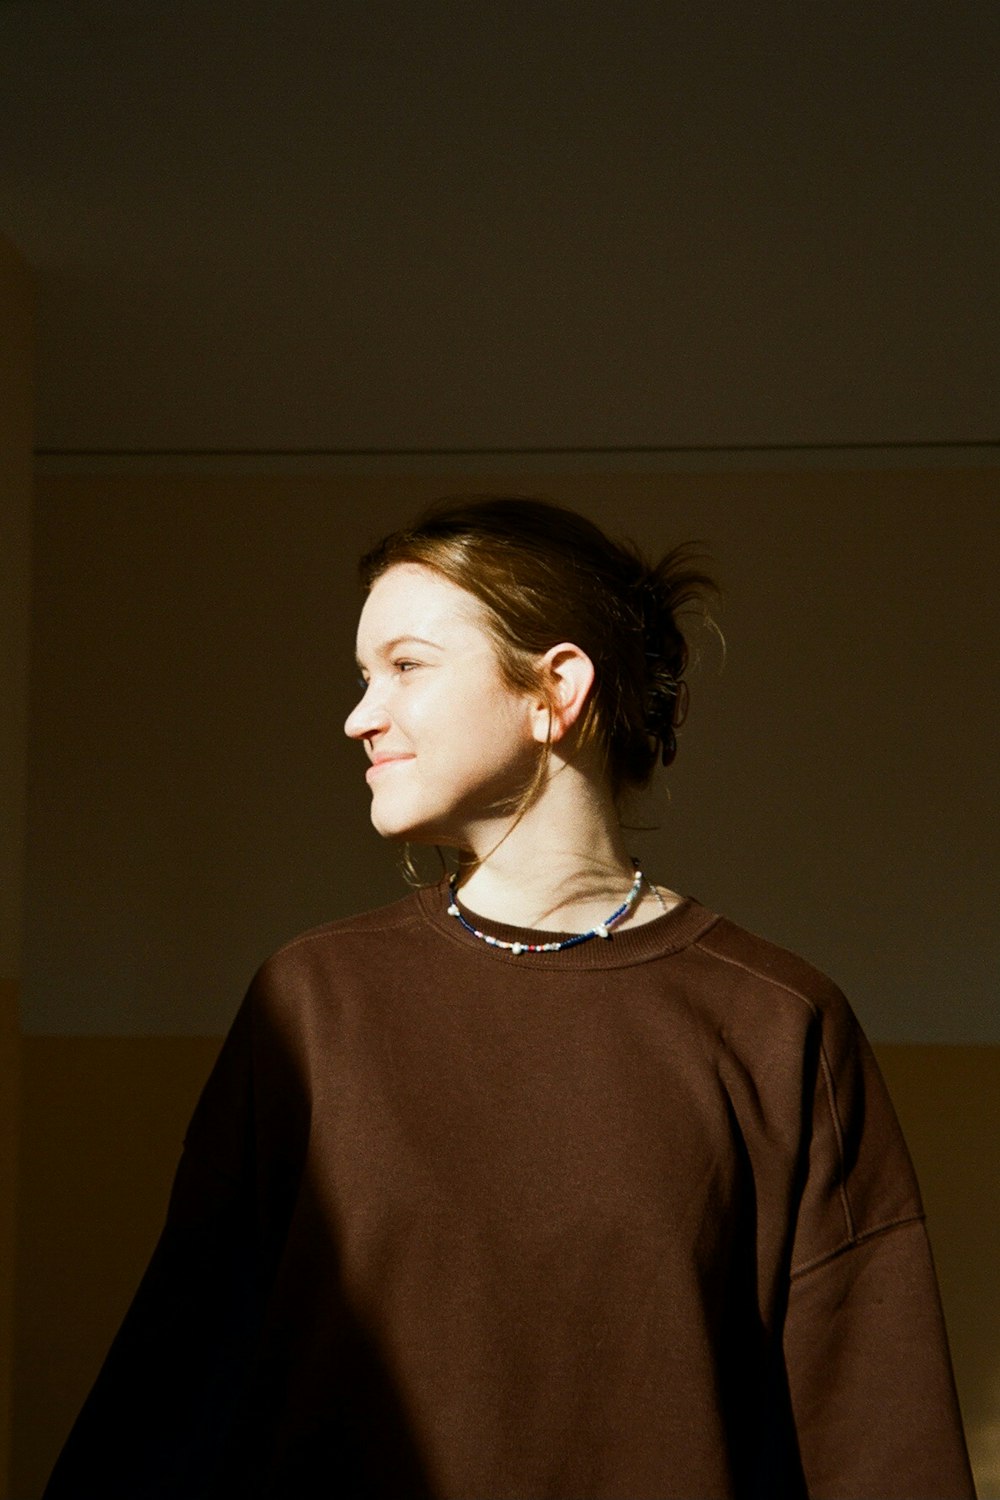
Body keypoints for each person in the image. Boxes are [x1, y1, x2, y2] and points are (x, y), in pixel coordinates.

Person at [45, 496, 974, 1499]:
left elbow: (876, 1437)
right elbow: (170, 1397)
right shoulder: (311, 1004)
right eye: (364, 677)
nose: (359, 716)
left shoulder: (776, 1023)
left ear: (553, 689)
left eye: (404, 666)